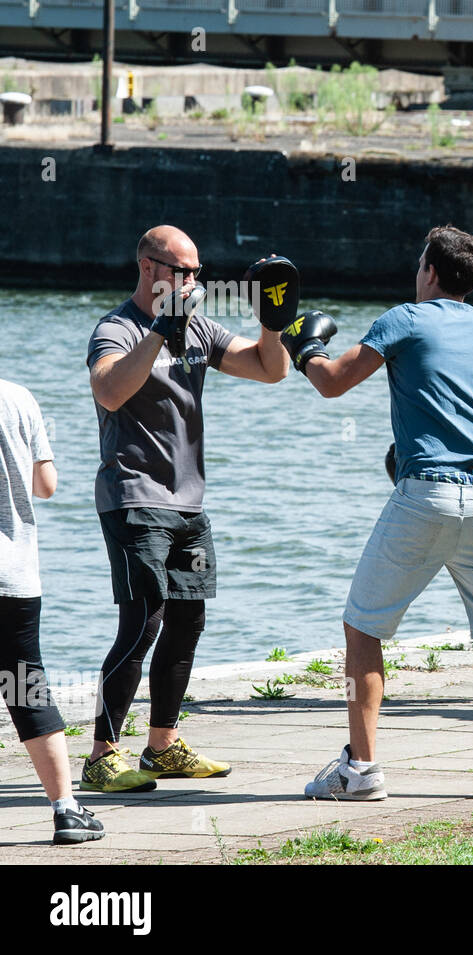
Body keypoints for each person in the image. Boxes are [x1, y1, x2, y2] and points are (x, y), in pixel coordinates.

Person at [288, 225, 473, 798]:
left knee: (362, 628)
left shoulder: (403, 317)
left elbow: (331, 384)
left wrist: (305, 347)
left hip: (425, 494)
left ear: (429, 271)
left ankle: (361, 770)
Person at [83, 226, 291, 792]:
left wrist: (273, 324)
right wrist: (157, 332)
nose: (194, 281)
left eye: (198, 271)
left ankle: (162, 746)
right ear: (149, 268)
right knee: (142, 619)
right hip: (133, 497)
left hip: (188, 503)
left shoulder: (198, 326)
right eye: (183, 271)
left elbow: (270, 369)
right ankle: (102, 754)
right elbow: (108, 389)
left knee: (186, 621)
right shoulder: (117, 327)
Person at [0, 378, 104, 843]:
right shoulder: (20, 398)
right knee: (27, 687)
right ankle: (65, 809)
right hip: (14, 574)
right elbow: (46, 485)